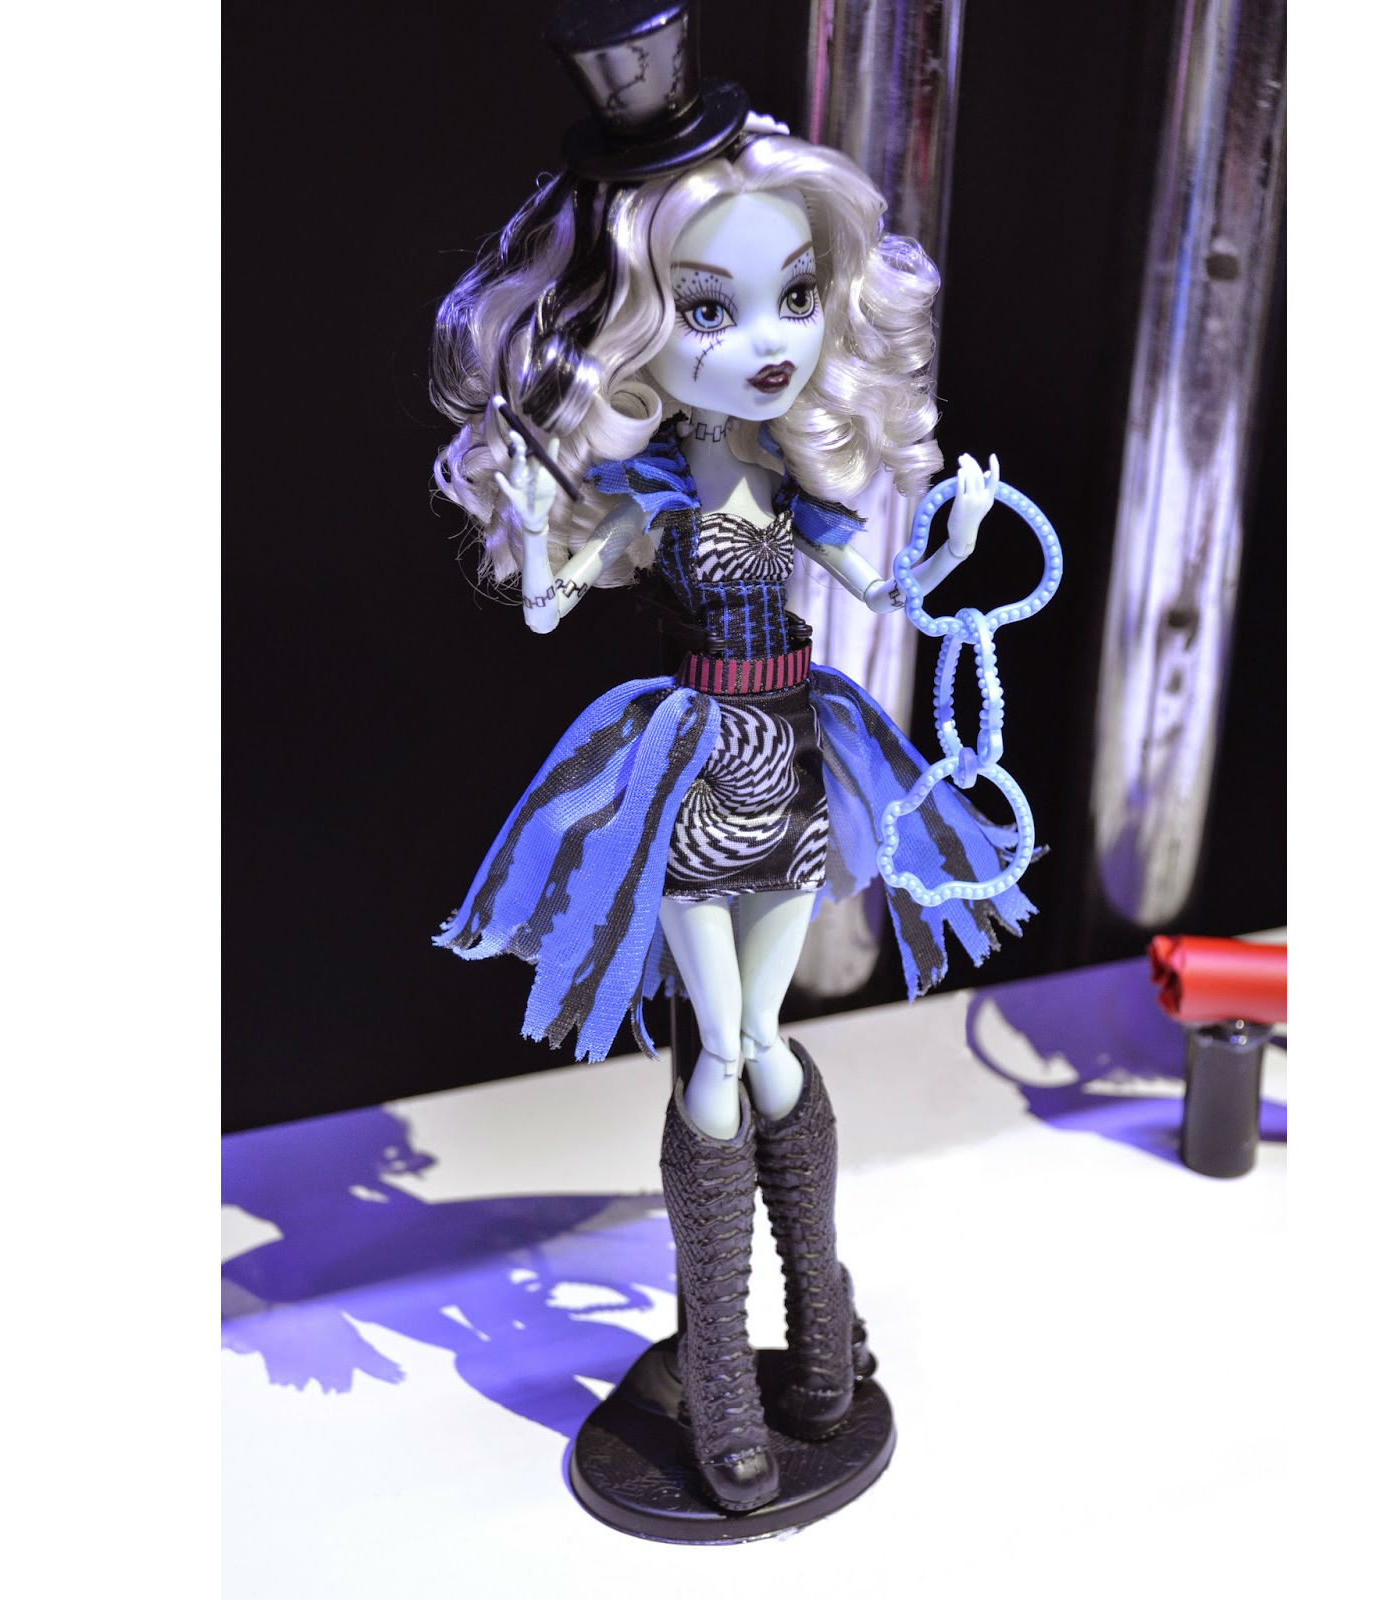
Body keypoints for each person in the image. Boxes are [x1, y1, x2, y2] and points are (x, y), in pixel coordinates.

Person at [429, 0, 1033, 1517]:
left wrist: (958, 528)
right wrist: (533, 515)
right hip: (701, 782)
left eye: (793, 298)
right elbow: (555, 596)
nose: (769, 345)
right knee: (727, 1051)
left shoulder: (792, 482)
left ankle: (821, 1335)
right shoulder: (655, 496)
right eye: (709, 312)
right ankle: (721, 1373)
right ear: (636, 332)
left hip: (799, 766)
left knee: (767, 1048)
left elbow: (891, 587)